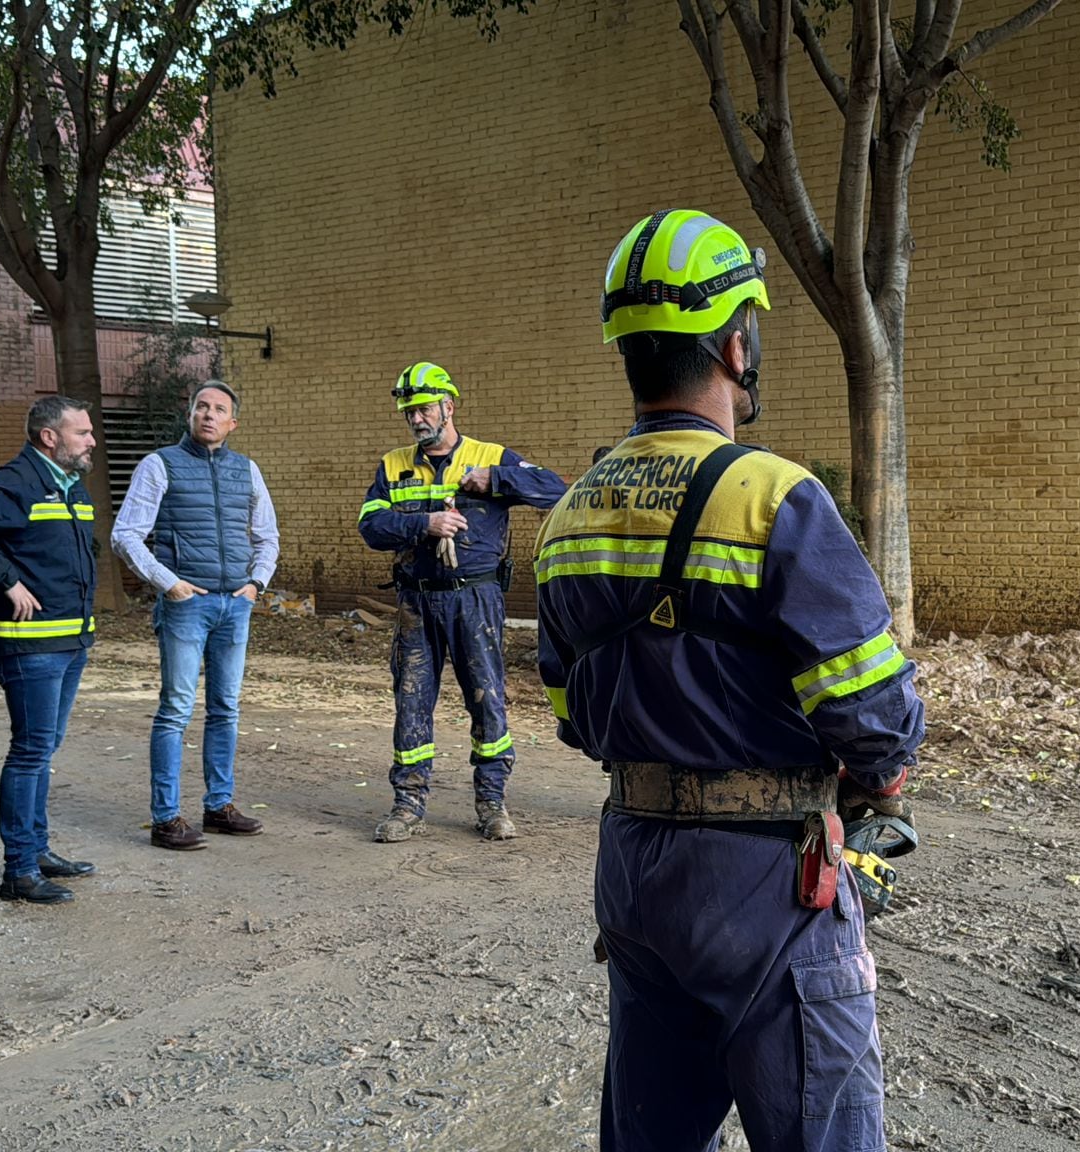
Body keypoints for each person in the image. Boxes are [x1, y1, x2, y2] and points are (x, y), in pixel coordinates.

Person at [534, 210, 925, 1150]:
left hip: (633, 869)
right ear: (734, 343)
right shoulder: (775, 498)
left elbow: (569, 713)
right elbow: (878, 720)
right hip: (767, 884)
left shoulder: (567, 518)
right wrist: (876, 782)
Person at [356, 362, 565, 843]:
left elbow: (554, 489)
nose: (416, 418)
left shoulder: (491, 456)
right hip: (417, 603)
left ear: (449, 406)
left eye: (425, 408)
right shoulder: (393, 466)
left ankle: (492, 803)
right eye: (409, 411)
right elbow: (370, 527)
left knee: (487, 699)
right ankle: (408, 804)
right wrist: (422, 524)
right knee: (412, 702)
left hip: (476, 599)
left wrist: (494, 480)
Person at [0, 395, 99, 904]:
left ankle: (38, 850)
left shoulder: (66, 485)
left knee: (42, 750)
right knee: (30, 752)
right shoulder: (16, 481)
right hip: (30, 646)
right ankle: (19, 870)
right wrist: (6, 579)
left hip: (68, 639)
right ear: (49, 437)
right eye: (82, 433)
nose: (92, 440)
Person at [110, 380, 279, 850]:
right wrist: (170, 584)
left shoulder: (247, 470)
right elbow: (126, 534)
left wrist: (255, 584)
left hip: (235, 604)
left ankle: (218, 805)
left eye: (218, 409)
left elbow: (268, 536)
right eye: (201, 406)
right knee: (176, 710)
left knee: (225, 708)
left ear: (232, 423)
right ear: (189, 414)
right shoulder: (159, 465)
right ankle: (166, 817)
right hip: (187, 605)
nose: (208, 414)